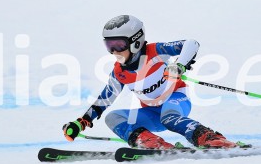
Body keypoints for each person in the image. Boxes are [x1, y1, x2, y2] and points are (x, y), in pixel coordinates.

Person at [62, 15, 237, 150]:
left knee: (168, 117)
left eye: (119, 44)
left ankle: (207, 137)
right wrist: (81, 122)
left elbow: (191, 44)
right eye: (109, 45)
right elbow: (104, 99)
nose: (114, 51)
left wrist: (179, 66)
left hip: (176, 100)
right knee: (113, 117)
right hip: (151, 113)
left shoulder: (155, 51)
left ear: (136, 41)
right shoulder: (119, 72)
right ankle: (149, 142)